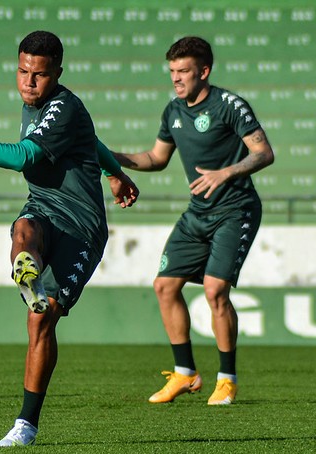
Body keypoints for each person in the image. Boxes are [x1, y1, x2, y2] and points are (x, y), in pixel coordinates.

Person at [0, 30, 138, 447]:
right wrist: (114, 172)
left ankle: (27, 424)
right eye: (22, 71)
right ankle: (28, 271)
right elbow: (93, 141)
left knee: (41, 321)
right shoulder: (34, 104)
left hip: (81, 228)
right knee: (24, 229)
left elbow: (25, 156)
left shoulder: (64, 107)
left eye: (38, 75)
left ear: (57, 74)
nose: (28, 82)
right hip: (45, 207)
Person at [111, 36, 274, 406]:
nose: (176, 78)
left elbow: (264, 153)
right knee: (164, 287)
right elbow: (156, 158)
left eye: (183, 71)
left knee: (216, 290)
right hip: (197, 214)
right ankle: (185, 373)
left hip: (236, 209)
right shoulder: (173, 111)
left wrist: (226, 173)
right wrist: (111, 156)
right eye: (172, 71)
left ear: (204, 71)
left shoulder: (230, 105)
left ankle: (227, 379)